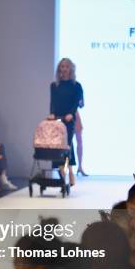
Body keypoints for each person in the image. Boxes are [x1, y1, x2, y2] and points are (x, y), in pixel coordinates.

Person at [48, 58, 83, 186]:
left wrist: (71, 113)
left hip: (69, 119)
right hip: (57, 118)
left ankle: (69, 170)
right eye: (62, 66)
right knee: (57, 145)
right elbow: (52, 102)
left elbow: (76, 103)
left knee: (67, 145)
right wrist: (52, 113)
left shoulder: (76, 86)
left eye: (66, 66)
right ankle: (62, 170)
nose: (64, 69)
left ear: (71, 69)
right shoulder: (54, 85)